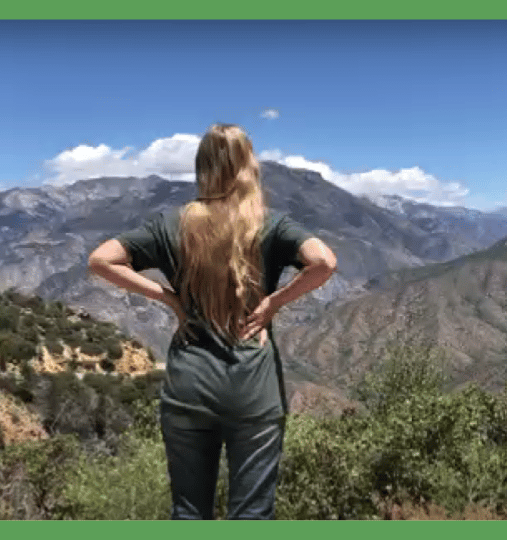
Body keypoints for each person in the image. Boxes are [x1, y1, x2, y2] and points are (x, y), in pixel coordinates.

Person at [87, 124, 337, 520]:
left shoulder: (170, 224)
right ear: (248, 166)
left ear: (202, 167)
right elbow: (324, 262)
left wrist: (166, 297)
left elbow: (101, 259)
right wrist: (274, 301)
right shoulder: (270, 225)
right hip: (252, 389)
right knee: (251, 515)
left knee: (188, 511)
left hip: (189, 385)